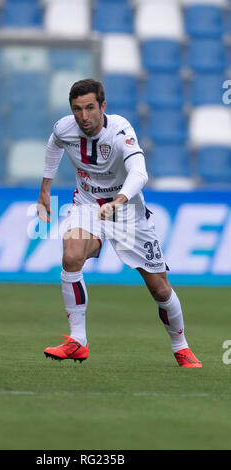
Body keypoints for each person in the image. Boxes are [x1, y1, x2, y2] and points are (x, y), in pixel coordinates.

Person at [37, 78, 202, 368]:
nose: (83, 116)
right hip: (87, 206)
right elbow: (54, 145)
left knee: (160, 290)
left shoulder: (120, 131)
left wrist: (119, 201)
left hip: (127, 213)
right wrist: (45, 187)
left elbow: (139, 172)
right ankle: (78, 341)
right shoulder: (65, 128)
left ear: (103, 106)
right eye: (77, 109)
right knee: (71, 255)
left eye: (90, 108)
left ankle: (181, 347)